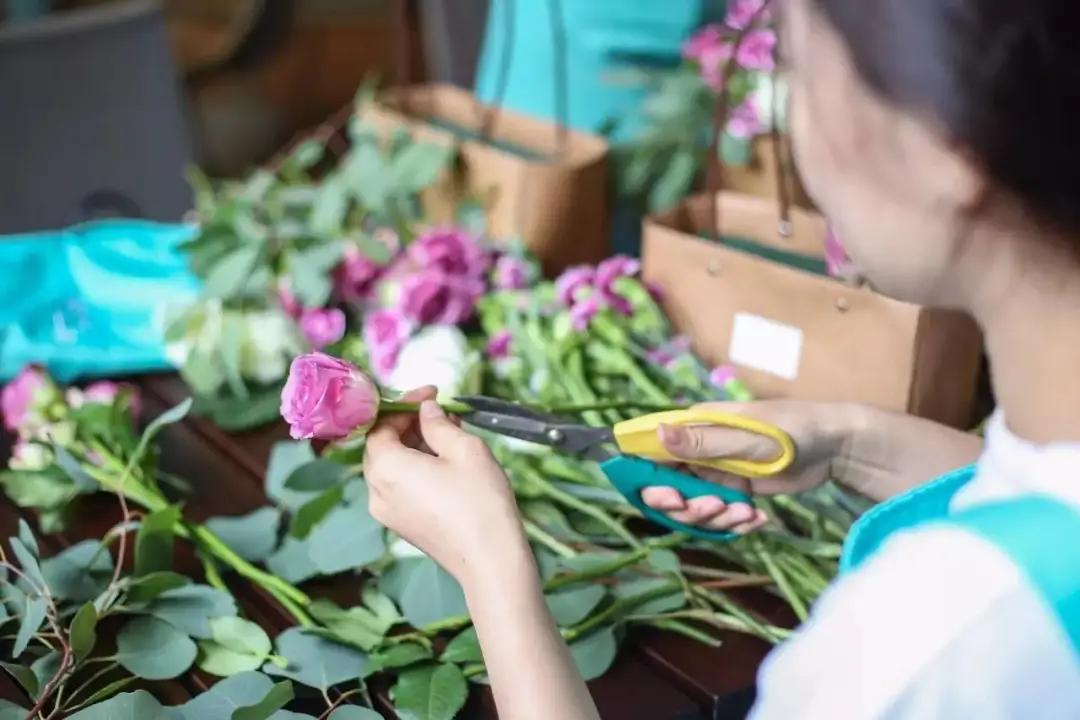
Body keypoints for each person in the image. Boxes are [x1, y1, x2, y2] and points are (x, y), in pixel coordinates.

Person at [362, 0, 1080, 717]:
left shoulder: (921, 651)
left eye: (795, 68)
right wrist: (857, 443)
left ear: (942, 145)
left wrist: (490, 571)